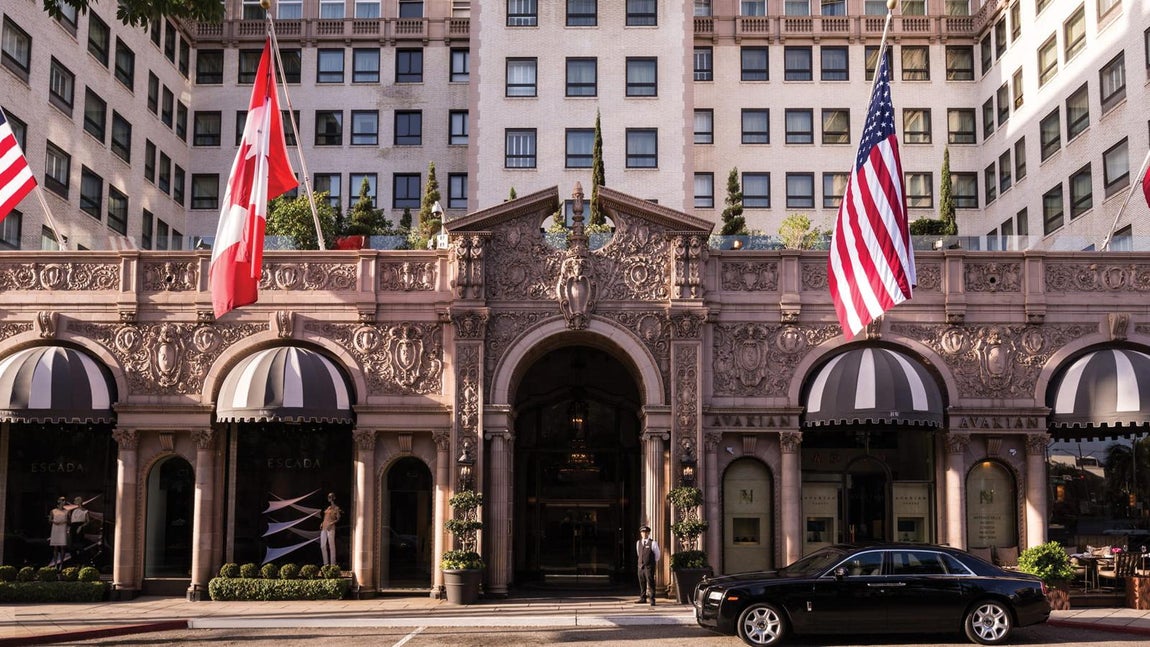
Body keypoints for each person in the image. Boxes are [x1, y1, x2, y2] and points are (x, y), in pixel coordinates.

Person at [635, 524, 661, 606]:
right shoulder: (638, 543)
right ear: (641, 533)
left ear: (648, 533)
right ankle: (643, 598)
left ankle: (652, 599)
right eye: (642, 532)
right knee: (642, 582)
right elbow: (639, 553)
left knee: (650, 582)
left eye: (646, 532)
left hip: (649, 566)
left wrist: (651, 562)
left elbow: (657, 555)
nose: (644, 534)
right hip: (640, 566)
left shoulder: (653, 543)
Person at [320, 492, 341, 567]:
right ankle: (325, 564)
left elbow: (338, 519)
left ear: (333, 498)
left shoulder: (336, 508)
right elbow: (325, 517)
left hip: (331, 528)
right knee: (322, 545)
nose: (329, 498)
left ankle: (333, 564)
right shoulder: (328, 508)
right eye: (328, 497)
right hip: (324, 527)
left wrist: (331, 523)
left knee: (331, 545)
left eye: (330, 497)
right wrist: (322, 523)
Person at [48, 497, 69, 568]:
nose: (64, 502)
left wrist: (65, 521)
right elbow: (50, 520)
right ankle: (56, 564)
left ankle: (61, 563)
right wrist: (54, 521)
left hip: (63, 528)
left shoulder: (67, 511)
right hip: (55, 529)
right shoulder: (53, 511)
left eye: (64, 501)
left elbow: (70, 521)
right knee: (55, 547)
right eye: (62, 501)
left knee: (63, 547)